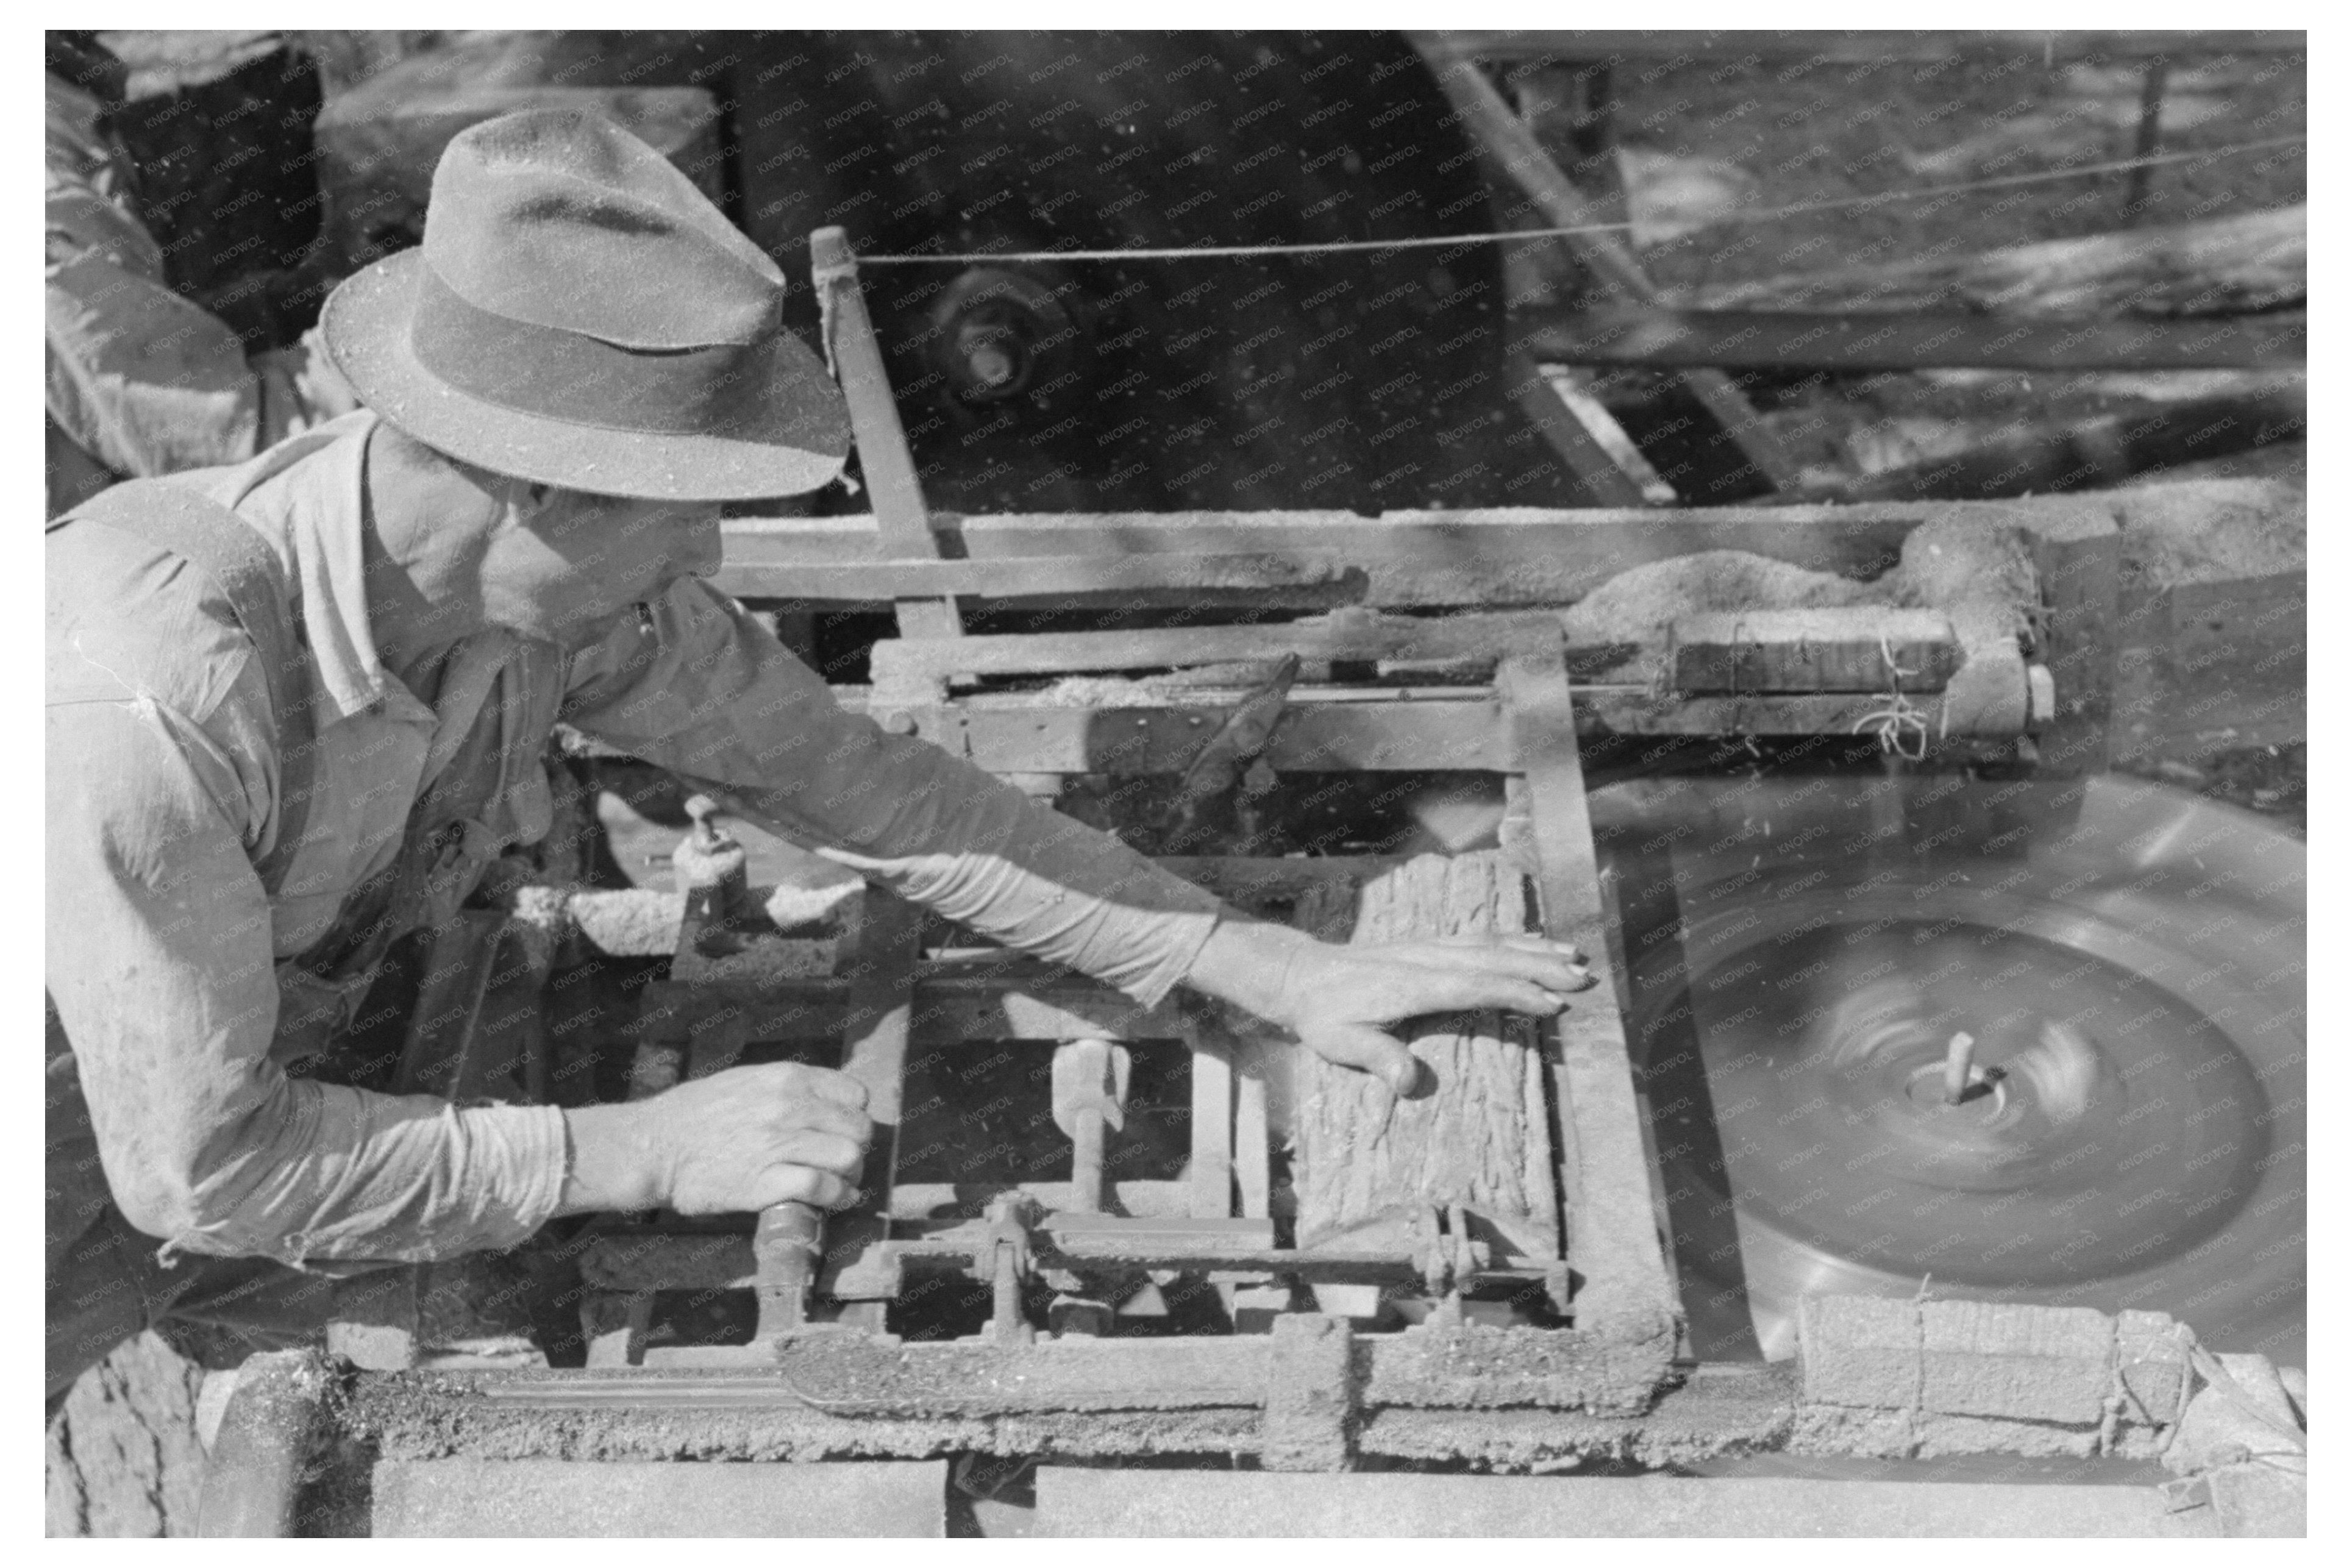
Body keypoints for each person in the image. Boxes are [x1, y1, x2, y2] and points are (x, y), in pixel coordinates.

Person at [45, 107, 1594, 1405]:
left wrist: (1259, 963)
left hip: (226, 1132)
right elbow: (203, 1165)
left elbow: (877, 792)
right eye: (685, 502)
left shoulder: (541, 602)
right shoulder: (155, 687)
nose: (709, 548)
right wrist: (635, 1149)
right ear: (534, 491)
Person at [44, 31, 360, 519]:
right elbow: (231, 445)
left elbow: (123, 342)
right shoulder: (47, 189)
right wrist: (387, 344)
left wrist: (293, 299)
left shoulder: (61, 106)